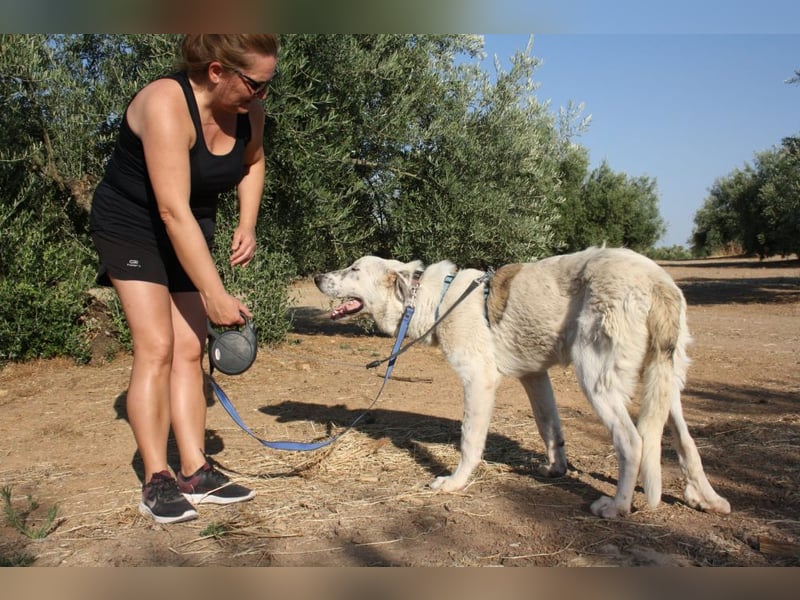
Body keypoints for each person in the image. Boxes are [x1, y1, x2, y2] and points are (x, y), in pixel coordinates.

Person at [90, 34, 279, 524]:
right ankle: (157, 479)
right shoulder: (165, 103)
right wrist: (215, 294)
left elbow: (253, 161)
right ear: (217, 71)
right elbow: (170, 210)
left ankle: (195, 471)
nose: (262, 95)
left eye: (268, 84)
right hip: (133, 223)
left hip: (190, 223)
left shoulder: (250, 112)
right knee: (157, 345)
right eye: (255, 84)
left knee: (191, 348)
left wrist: (247, 222)